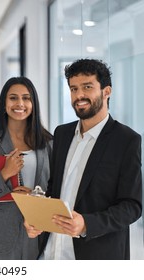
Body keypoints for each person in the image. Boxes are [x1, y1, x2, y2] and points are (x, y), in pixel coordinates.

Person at [25, 58, 142, 259]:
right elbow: (55, 189)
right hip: (51, 252)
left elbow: (132, 206)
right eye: (73, 88)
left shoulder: (126, 140)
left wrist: (87, 224)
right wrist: (38, 218)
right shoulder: (62, 134)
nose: (79, 95)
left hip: (95, 255)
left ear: (107, 91)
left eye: (87, 87)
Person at [0, 77, 53, 260]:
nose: (20, 103)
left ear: (34, 103)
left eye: (26, 98)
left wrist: (34, 196)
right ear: (4, 103)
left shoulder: (48, 143)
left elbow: (56, 189)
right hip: (0, 238)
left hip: (39, 233)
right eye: (13, 98)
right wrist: (4, 174)